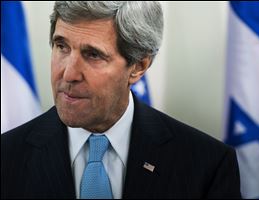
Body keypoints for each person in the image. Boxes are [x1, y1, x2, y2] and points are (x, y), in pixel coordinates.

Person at [1, 1, 241, 199]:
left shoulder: (207, 166)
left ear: (138, 66)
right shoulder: (6, 158)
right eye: (61, 46)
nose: (68, 74)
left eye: (93, 54)